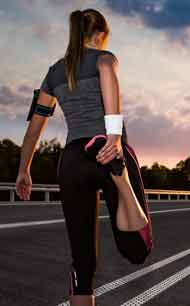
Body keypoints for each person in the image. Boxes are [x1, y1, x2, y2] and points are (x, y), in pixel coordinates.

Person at [15, 8, 153, 306]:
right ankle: (123, 182)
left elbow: (34, 129)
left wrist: (23, 169)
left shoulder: (53, 73)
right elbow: (107, 73)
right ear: (100, 34)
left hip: (73, 160)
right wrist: (114, 138)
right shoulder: (105, 58)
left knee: (82, 264)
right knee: (137, 249)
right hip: (107, 151)